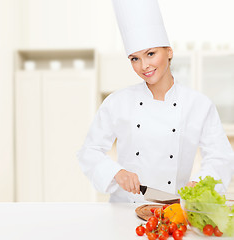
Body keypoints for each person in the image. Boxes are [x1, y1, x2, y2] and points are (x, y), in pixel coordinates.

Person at [77, 0, 234, 202]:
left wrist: (200, 183)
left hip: (172, 211)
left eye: (151, 54)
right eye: (135, 58)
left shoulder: (199, 105)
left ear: (169, 51)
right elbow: (89, 152)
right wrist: (116, 172)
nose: (144, 66)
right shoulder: (117, 102)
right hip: (124, 209)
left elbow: (220, 156)